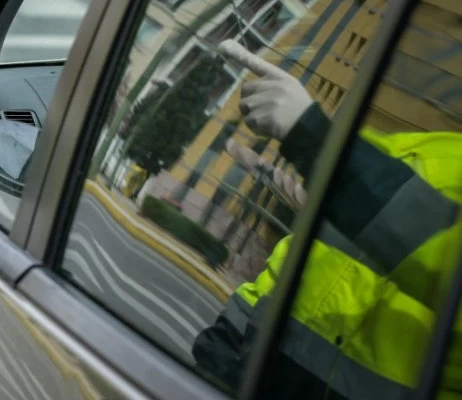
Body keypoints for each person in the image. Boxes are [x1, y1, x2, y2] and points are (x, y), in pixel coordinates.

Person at [192, 41, 462, 398]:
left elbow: (433, 251)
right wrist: (235, 331)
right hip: (247, 368)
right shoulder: (430, 150)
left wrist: (311, 138)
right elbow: (312, 247)